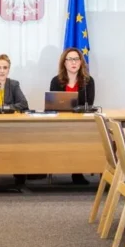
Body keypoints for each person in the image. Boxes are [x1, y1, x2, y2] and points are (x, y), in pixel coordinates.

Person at [50, 48, 95, 185]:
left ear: (81, 62)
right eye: (70, 59)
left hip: (81, 124)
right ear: (64, 63)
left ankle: (78, 171)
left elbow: (89, 103)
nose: (73, 62)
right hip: (60, 122)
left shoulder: (88, 81)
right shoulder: (56, 81)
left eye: (76, 59)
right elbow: (53, 104)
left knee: (81, 137)